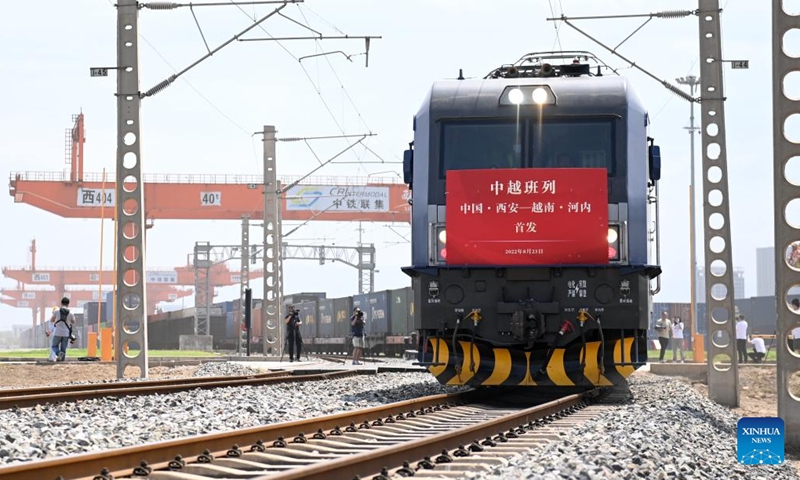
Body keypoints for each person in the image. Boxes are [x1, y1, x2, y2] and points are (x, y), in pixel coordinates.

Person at [46, 297, 76, 362]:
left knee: (54, 346)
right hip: (66, 333)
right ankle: (62, 362)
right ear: (68, 304)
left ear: (61, 303)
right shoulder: (71, 313)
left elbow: (52, 320)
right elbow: (73, 322)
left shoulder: (57, 311)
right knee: (63, 349)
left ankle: (58, 353)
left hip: (57, 332)